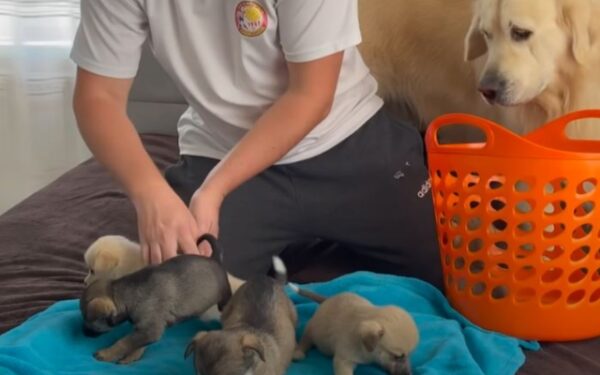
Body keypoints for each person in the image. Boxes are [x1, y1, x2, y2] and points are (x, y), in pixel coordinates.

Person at [70, 0, 442, 289]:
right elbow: (97, 98)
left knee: (461, 274)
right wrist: (149, 194)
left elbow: (310, 97)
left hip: (348, 139)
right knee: (179, 294)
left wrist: (213, 191)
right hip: (221, 151)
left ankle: (307, 248)